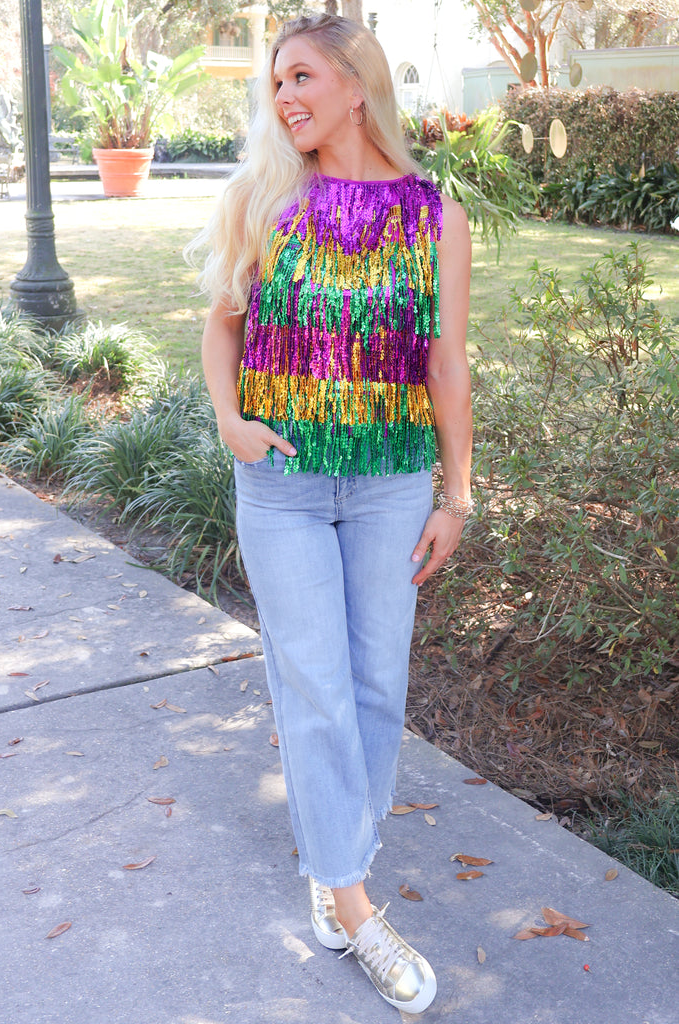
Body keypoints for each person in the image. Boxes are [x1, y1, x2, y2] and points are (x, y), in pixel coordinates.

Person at [190, 13, 472, 1015]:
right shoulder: (263, 197)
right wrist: (229, 421)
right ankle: (355, 907)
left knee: (373, 687)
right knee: (312, 685)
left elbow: (443, 362)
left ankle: (331, 858)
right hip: (283, 483)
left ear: (356, 83)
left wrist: (457, 493)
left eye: (301, 76)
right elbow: (220, 324)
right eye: (275, 84)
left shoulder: (431, 215)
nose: (284, 98)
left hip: (391, 482)